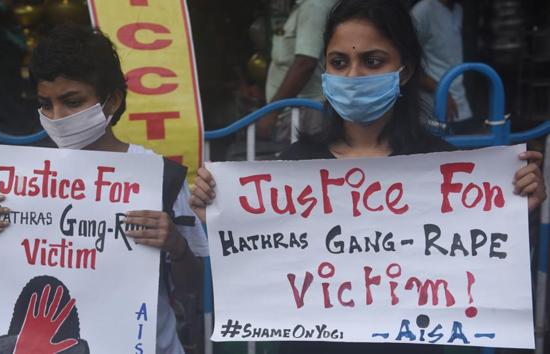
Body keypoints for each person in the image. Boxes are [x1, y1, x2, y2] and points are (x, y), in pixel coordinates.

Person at [189, 0, 546, 353]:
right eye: (339, 62)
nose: (353, 75)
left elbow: (486, 271)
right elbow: (253, 275)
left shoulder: (446, 172)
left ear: (405, 70)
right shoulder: (292, 170)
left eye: (372, 61)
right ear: (325, 71)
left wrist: (517, 214)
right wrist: (220, 218)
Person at [0, 25, 208, 354]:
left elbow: (194, 285)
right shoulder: (22, 183)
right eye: (45, 104)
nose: (57, 116)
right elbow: (4, 276)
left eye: (72, 102)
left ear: (112, 101)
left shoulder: (157, 178)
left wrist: (176, 245)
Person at [256, 0, 337, 144]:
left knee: (302, 164)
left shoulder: (313, 6)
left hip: (306, 115)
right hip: (296, 113)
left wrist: (271, 112)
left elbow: (305, 63)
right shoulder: (302, 6)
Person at [412, 0, 478, 134]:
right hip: (433, 104)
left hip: (459, 100)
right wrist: (442, 91)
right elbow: (407, 63)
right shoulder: (423, 11)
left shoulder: (457, 9)